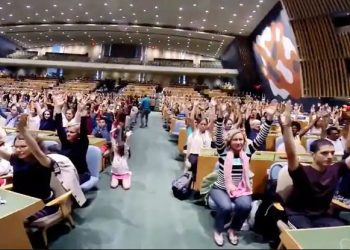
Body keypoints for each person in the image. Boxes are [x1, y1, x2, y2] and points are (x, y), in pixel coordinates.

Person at [280, 102, 350, 229]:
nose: (330, 156)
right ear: (313, 154)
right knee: (309, 235)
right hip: (298, 214)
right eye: (324, 153)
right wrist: (286, 126)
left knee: (343, 229)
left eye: (332, 153)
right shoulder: (301, 171)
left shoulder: (336, 168)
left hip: (321, 215)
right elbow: (291, 153)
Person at [0, 114, 58, 221]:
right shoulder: (15, 158)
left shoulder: (44, 161)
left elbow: (36, 151)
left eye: (23, 146)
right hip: (19, 200)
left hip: (41, 204)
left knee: (15, 220)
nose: (18, 150)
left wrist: (23, 131)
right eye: (16, 147)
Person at [54, 95, 90, 184]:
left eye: (72, 132)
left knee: (66, 183)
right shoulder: (65, 140)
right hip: (67, 172)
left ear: (78, 135)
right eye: (68, 131)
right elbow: (59, 127)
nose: (68, 133)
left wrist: (83, 116)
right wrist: (58, 109)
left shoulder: (82, 143)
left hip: (81, 173)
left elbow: (84, 131)